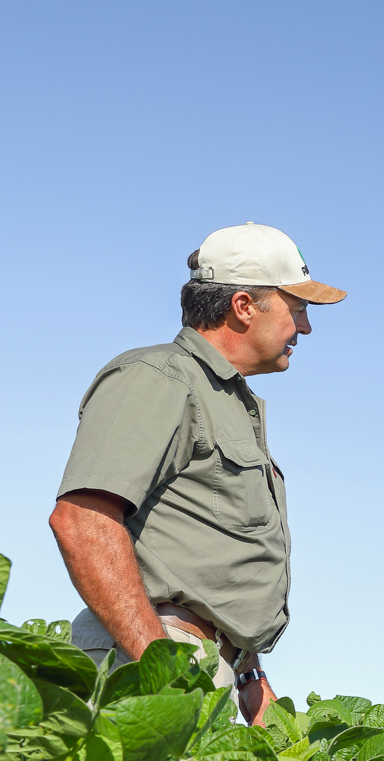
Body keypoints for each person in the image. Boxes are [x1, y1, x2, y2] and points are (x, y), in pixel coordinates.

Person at [49, 223, 345, 724]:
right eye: (297, 308)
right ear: (244, 306)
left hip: (197, 664)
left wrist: (248, 677)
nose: (306, 327)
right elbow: (82, 521)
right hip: (153, 657)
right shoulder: (160, 377)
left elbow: (206, 558)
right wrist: (163, 672)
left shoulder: (225, 398)